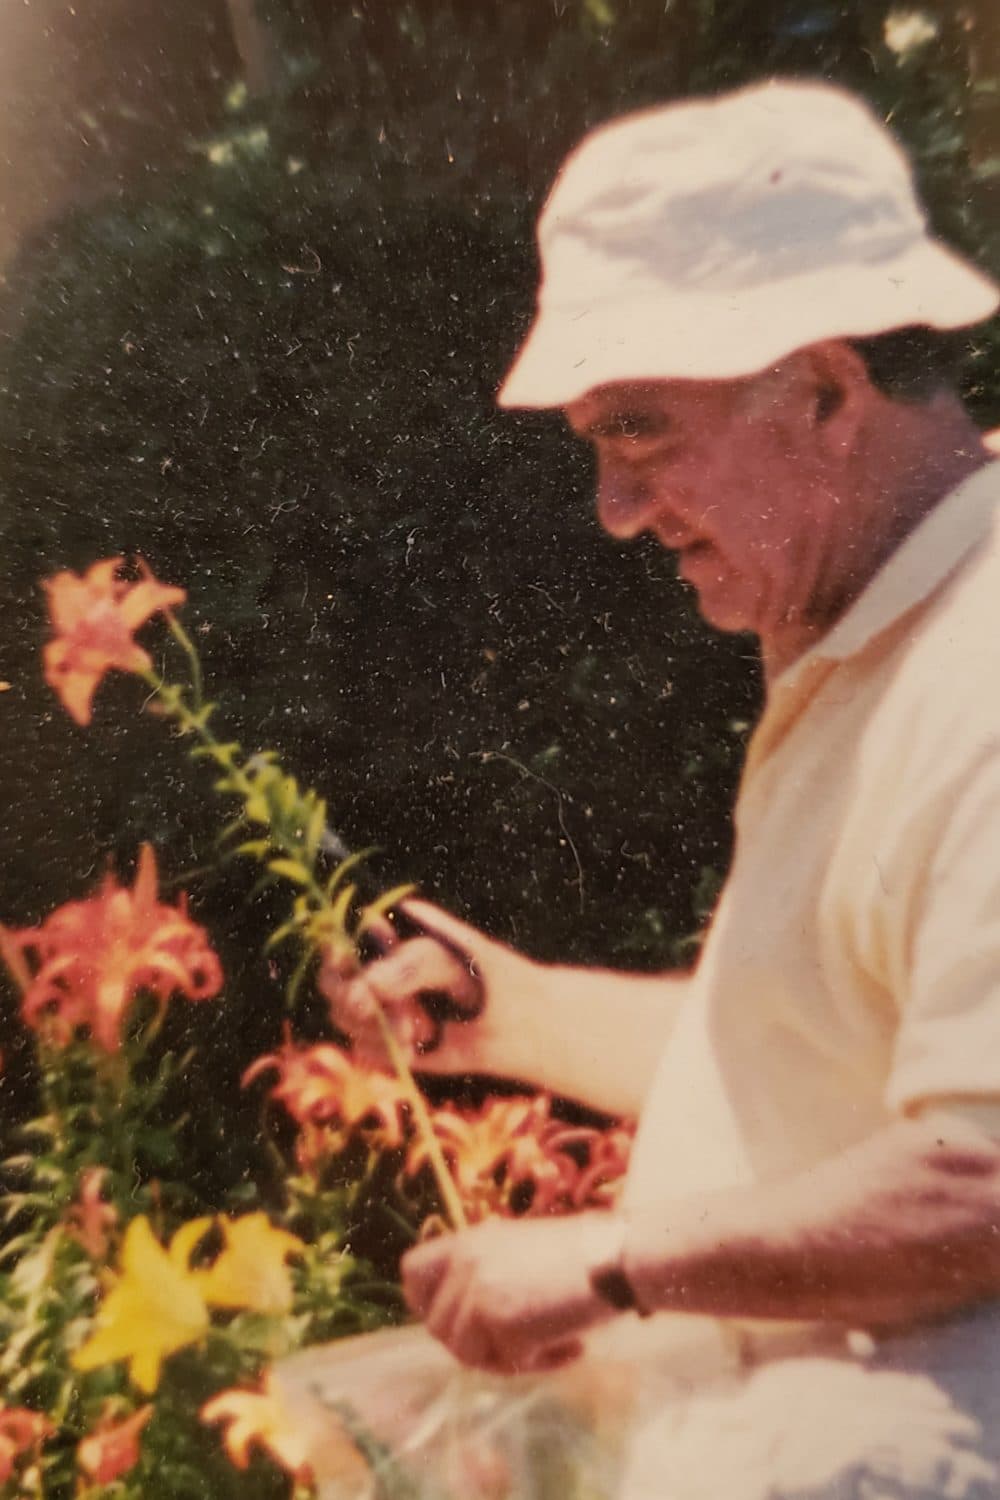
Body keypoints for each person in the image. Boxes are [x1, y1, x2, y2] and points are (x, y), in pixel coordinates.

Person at [322, 80, 1000, 1497]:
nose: (615, 511)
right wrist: (513, 1014)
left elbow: (982, 1178)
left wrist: (610, 1261)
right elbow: (829, 1066)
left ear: (823, 388)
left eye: (638, 430)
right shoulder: (867, 628)